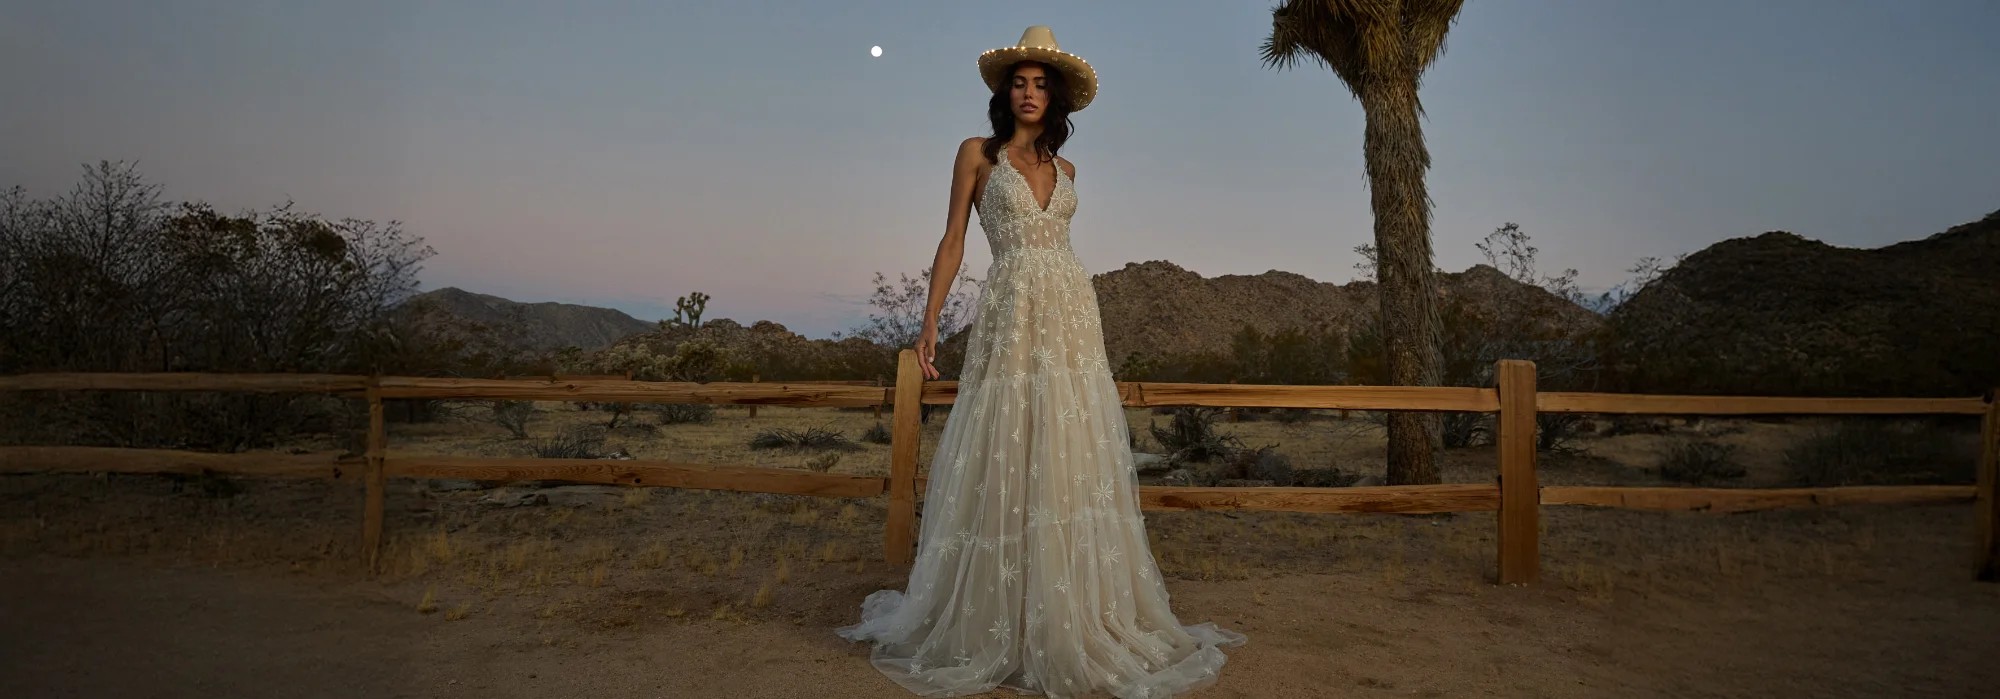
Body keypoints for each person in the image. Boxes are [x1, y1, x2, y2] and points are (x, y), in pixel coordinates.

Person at [836, 26, 1246, 698]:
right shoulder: (977, 154)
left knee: (1065, 444)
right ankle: (995, 614)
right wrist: (931, 319)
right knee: (1008, 439)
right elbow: (952, 243)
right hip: (1011, 306)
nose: (1028, 93)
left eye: (1039, 84)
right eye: (1018, 83)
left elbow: (1057, 244)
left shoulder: (1069, 170)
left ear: (1055, 97)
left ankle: (1067, 610)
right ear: (1005, 93)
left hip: (1070, 312)